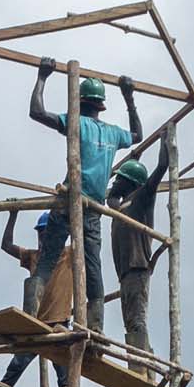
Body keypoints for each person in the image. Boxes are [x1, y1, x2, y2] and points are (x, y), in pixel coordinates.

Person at [27, 58, 140, 332]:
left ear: (80, 101)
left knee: (48, 259)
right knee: (93, 265)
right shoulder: (112, 133)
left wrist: (42, 77)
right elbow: (137, 134)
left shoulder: (76, 123)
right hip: (92, 207)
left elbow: (37, 112)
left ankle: (31, 313)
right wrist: (129, 97)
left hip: (69, 201)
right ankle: (95, 326)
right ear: (101, 104)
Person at [0, 209, 73, 387]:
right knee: (16, 365)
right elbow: (6, 245)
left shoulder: (70, 254)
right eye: (40, 234)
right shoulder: (34, 257)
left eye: (47, 234)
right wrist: (13, 215)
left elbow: (85, 237)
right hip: (35, 324)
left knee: (64, 375)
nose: (42, 238)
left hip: (59, 324)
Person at [106, 134, 169, 359]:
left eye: (119, 178)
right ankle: (141, 360)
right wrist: (133, 159)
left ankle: (141, 363)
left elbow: (163, 166)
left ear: (131, 182)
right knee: (130, 322)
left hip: (137, 266)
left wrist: (166, 137)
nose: (115, 182)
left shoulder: (142, 197)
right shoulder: (119, 205)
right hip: (124, 273)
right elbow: (109, 198)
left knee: (137, 321)